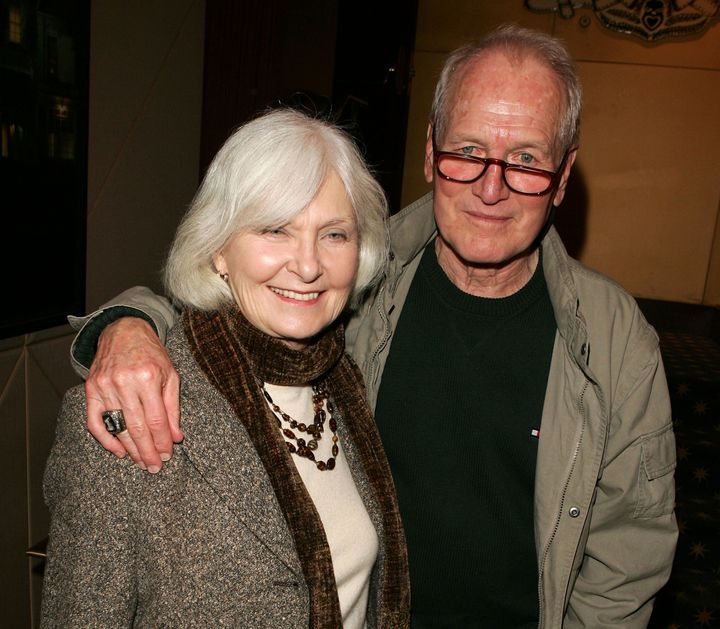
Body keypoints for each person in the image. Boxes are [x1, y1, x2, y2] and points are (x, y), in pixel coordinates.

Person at [65, 25, 677, 627]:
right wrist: (125, 325)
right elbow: (230, 309)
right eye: (468, 152)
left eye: (525, 159)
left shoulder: (614, 338)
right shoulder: (367, 286)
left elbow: (631, 550)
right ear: (432, 151)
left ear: (563, 174)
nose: (493, 187)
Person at [41, 109, 411, 628]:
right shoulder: (128, 410)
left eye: (334, 235)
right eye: (275, 229)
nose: (307, 266)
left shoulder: (349, 385)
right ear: (218, 248)